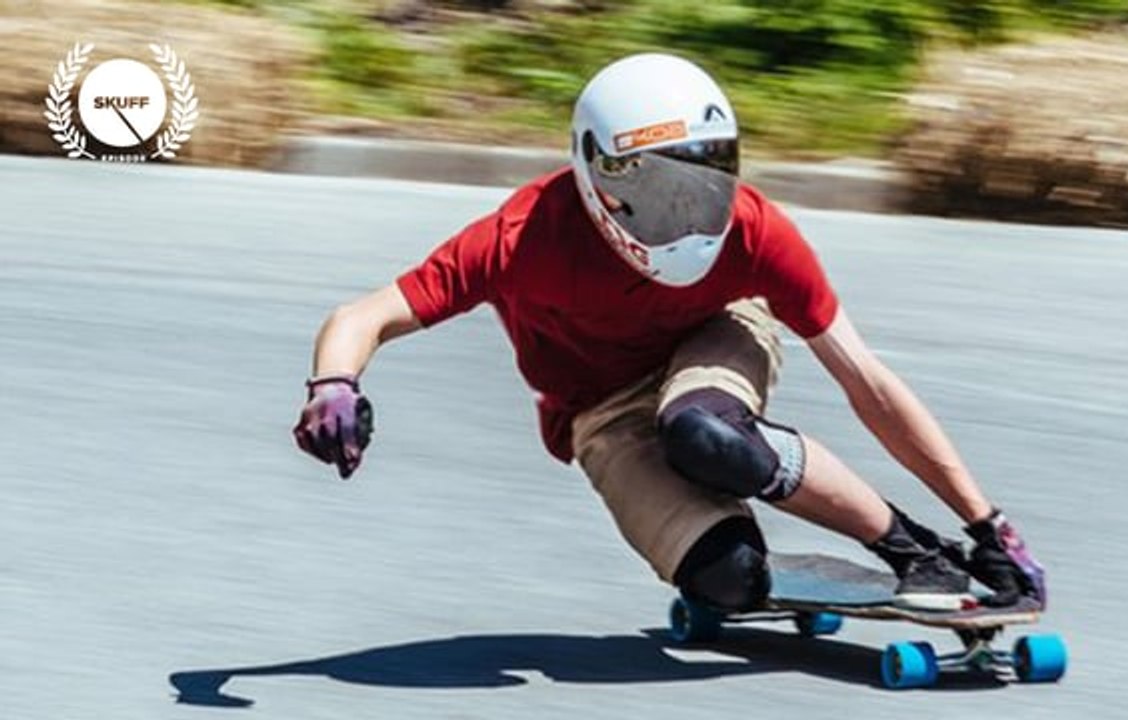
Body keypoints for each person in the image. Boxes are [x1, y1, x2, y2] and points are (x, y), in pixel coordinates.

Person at [293, 53, 1046, 612]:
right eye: (656, 188)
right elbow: (364, 316)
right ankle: (737, 555)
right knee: (729, 581)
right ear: (595, 179)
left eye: (705, 181)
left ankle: (916, 551)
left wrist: (987, 522)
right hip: (598, 410)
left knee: (702, 433)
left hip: (716, 337)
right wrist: (333, 383)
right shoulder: (523, 239)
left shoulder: (754, 231)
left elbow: (867, 381)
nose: (689, 215)